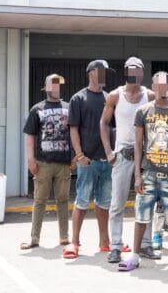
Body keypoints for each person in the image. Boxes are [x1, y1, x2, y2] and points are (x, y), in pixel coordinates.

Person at [118, 71, 168, 272]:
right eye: (159, 85)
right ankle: (135, 255)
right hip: (148, 173)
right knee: (141, 216)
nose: (162, 88)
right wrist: (138, 175)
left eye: (166, 85)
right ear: (153, 87)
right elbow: (138, 144)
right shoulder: (143, 111)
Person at [100, 57, 156, 264]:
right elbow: (104, 123)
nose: (134, 74)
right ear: (126, 72)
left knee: (146, 201)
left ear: (142, 73)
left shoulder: (149, 96)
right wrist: (109, 151)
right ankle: (115, 246)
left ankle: (146, 244)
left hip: (146, 156)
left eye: (138, 70)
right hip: (122, 155)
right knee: (117, 203)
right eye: (131, 70)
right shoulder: (115, 96)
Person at [63, 60, 114, 259]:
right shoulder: (78, 98)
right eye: (100, 72)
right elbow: (73, 128)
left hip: (107, 161)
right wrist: (79, 155)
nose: (103, 76)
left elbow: (113, 127)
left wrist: (113, 153)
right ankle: (74, 243)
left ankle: (105, 242)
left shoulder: (109, 98)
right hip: (87, 160)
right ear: (91, 73)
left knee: (104, 203)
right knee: (82, 201)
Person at [21, 74, 71, 250]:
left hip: (64, 163)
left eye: (58, 85)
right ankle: (34, 238)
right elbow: (30, 135)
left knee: (63, 200)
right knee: (39, 201)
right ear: (46, 87)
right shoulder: (37, 109)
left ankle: (64, 237)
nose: (55, 88)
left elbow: (75, 132)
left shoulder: (68, 108)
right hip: (43, 163)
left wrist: (75, 156)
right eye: (52, 85)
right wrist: (31, 159)